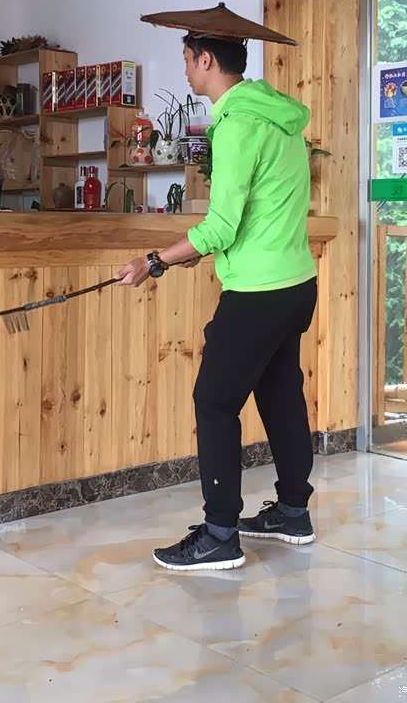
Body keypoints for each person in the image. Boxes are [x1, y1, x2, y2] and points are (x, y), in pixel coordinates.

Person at [116, 34, 317, 571]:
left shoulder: (234, 124)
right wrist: (195, 251)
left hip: (256, 292)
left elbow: (222, 225)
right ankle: (293, 512)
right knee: (280, 393)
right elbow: (256, 215)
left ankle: (220, 534)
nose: (185, 70)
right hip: (296, 283)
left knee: (214, 402)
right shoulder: (278, 118)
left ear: (206, 60)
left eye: (186, 59)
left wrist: (154, 260)